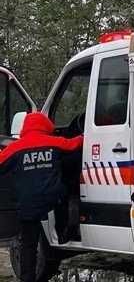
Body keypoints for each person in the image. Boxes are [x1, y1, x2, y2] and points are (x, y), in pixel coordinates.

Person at [0, 112, 83, 282]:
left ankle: (27, 279)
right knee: (64, 194)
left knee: (28, 244)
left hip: (27, 204)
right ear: (46, 126)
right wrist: (86, 133)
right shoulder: (54, 142)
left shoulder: (16, 148)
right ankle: (63, 232)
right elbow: (75, 144)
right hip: (52, 197)